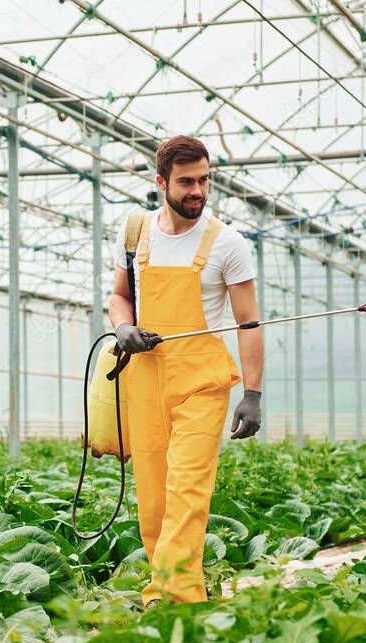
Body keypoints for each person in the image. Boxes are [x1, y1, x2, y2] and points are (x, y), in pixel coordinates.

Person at [108, 135, 264, 607]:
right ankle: (175, 590)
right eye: (186, 182)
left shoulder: (227, 243)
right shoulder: (136, 233)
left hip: (201, 383)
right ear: (161, 183)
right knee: (153, 503)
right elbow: (119, 296)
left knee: (187, 491)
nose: (197, 190)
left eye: (204, 180)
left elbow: (248, 321)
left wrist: (253, 393)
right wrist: (123, 327)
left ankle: (171, 598)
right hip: (146, 380)